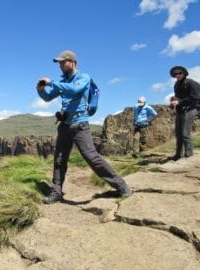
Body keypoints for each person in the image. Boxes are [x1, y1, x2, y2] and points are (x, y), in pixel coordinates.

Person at [36, 50, 132, 204]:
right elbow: (48, 97)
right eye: (59, 63)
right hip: (64, 125)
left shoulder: (83, 77)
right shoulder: (63, 81)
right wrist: (40, 90)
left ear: (72, 62)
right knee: (59, 160)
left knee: (92, 157)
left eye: (62, 62)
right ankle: (56, 192)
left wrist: (51, 82)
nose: (60, 65)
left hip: (80, 125)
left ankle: (121, 186)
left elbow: (75, 89)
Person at [169, 65, 200, 160]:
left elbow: (195, 97)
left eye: (180, 73)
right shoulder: (177, 84)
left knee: (185, 132)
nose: (178, 75)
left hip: (190, 109)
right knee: (178, 133)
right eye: (176, 74)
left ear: (184, 73)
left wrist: (179, 101)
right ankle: (178, 155)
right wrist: (173, 102)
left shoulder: (191, 83)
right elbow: (179, 98)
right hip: (181, 110)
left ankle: (189, 154)